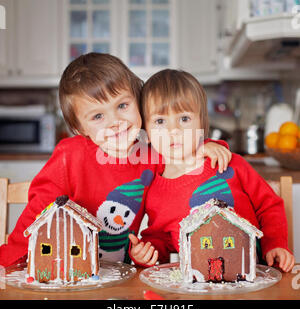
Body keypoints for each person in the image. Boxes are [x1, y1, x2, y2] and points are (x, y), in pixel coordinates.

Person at [0, 53, 231, 268]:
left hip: (119, 274)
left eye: (122, 105)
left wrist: (206, 146)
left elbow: (184, 151)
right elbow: (39, 212)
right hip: (68, 269)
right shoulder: (70, 155)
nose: (115, 121)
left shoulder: (153, 153)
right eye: (98, 116)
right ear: (80, 128)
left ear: (138, 101)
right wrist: (11, 260)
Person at [129, 69, 294, 272]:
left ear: (201, 122)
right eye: (160, 121)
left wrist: (275, 244)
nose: (174, 131)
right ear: (146, 130)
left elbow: (268, 206)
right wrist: (145, 253)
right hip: (199, 287)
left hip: (255, 278)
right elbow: (160, 240)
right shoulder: (155, 190)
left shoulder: (229, 164)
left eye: (184, 119)